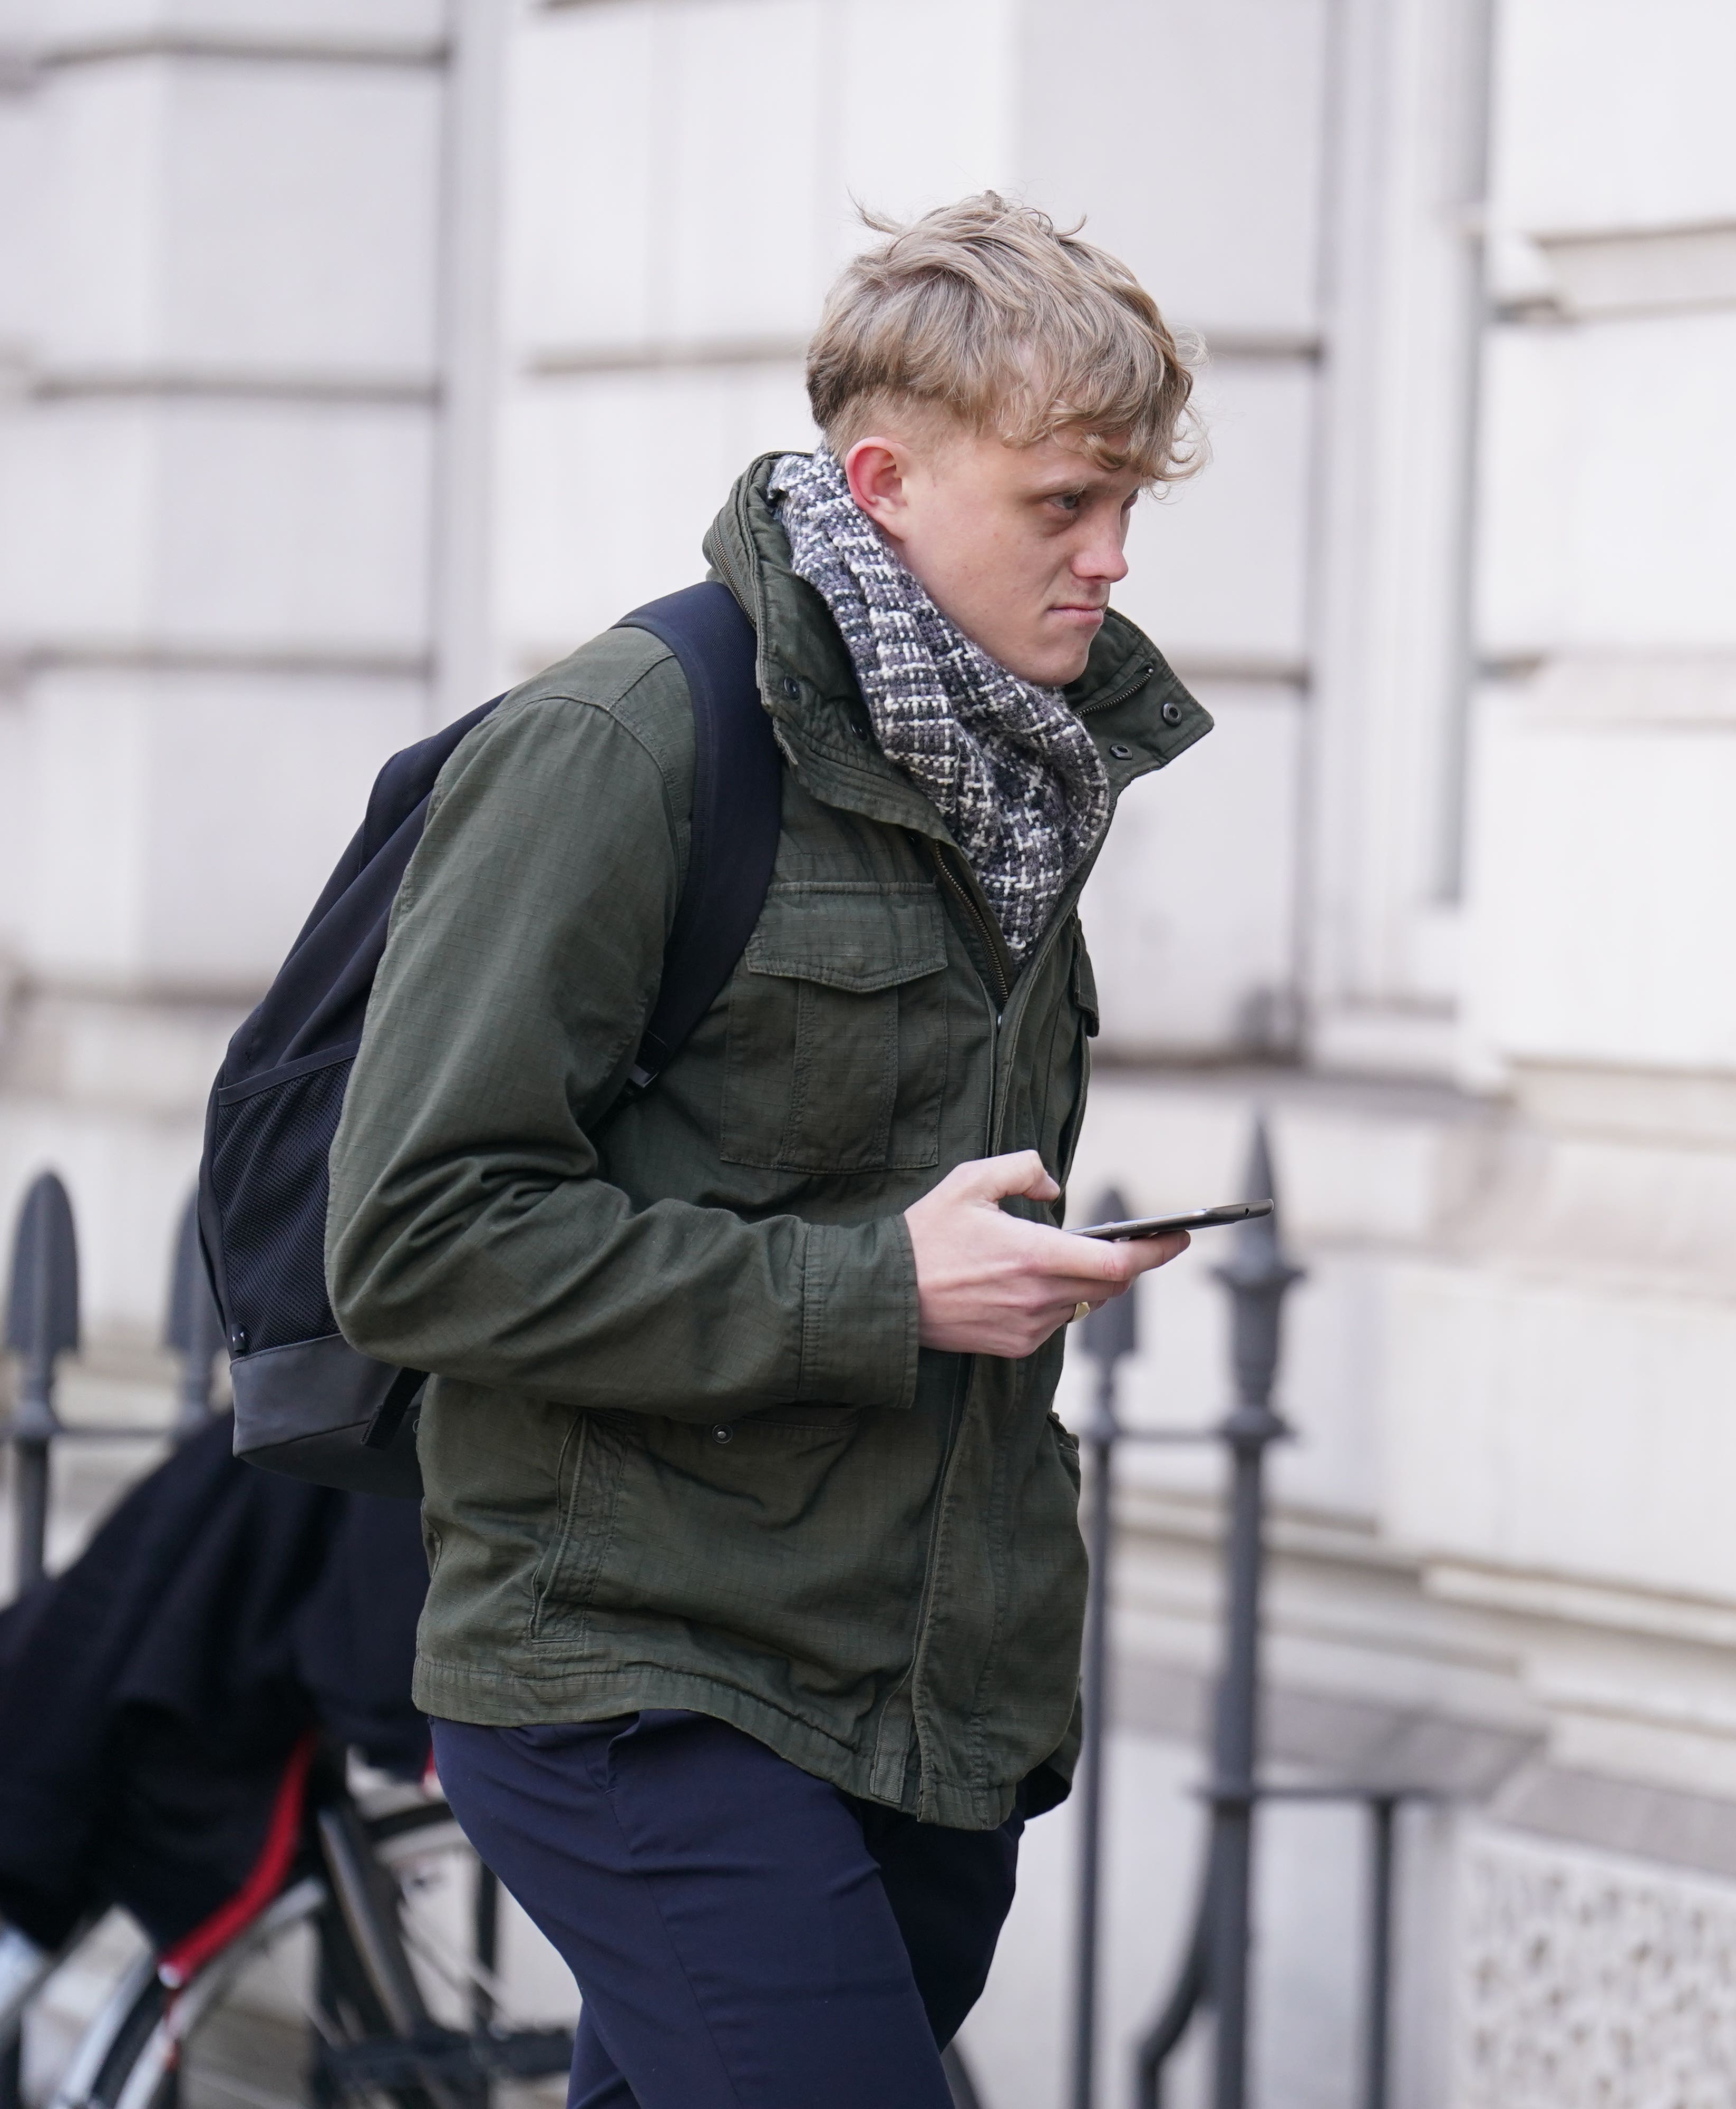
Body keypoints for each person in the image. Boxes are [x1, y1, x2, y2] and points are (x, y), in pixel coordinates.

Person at [323, 194, 1207, 2108]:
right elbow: (416, 1238)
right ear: (884, 481)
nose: (1114, 559)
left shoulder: (1017, 774)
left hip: (915, 1701)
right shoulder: (629, 743)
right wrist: (882, 1290)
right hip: (636, 1672)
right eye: (1065, 504)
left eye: (1133, 505)